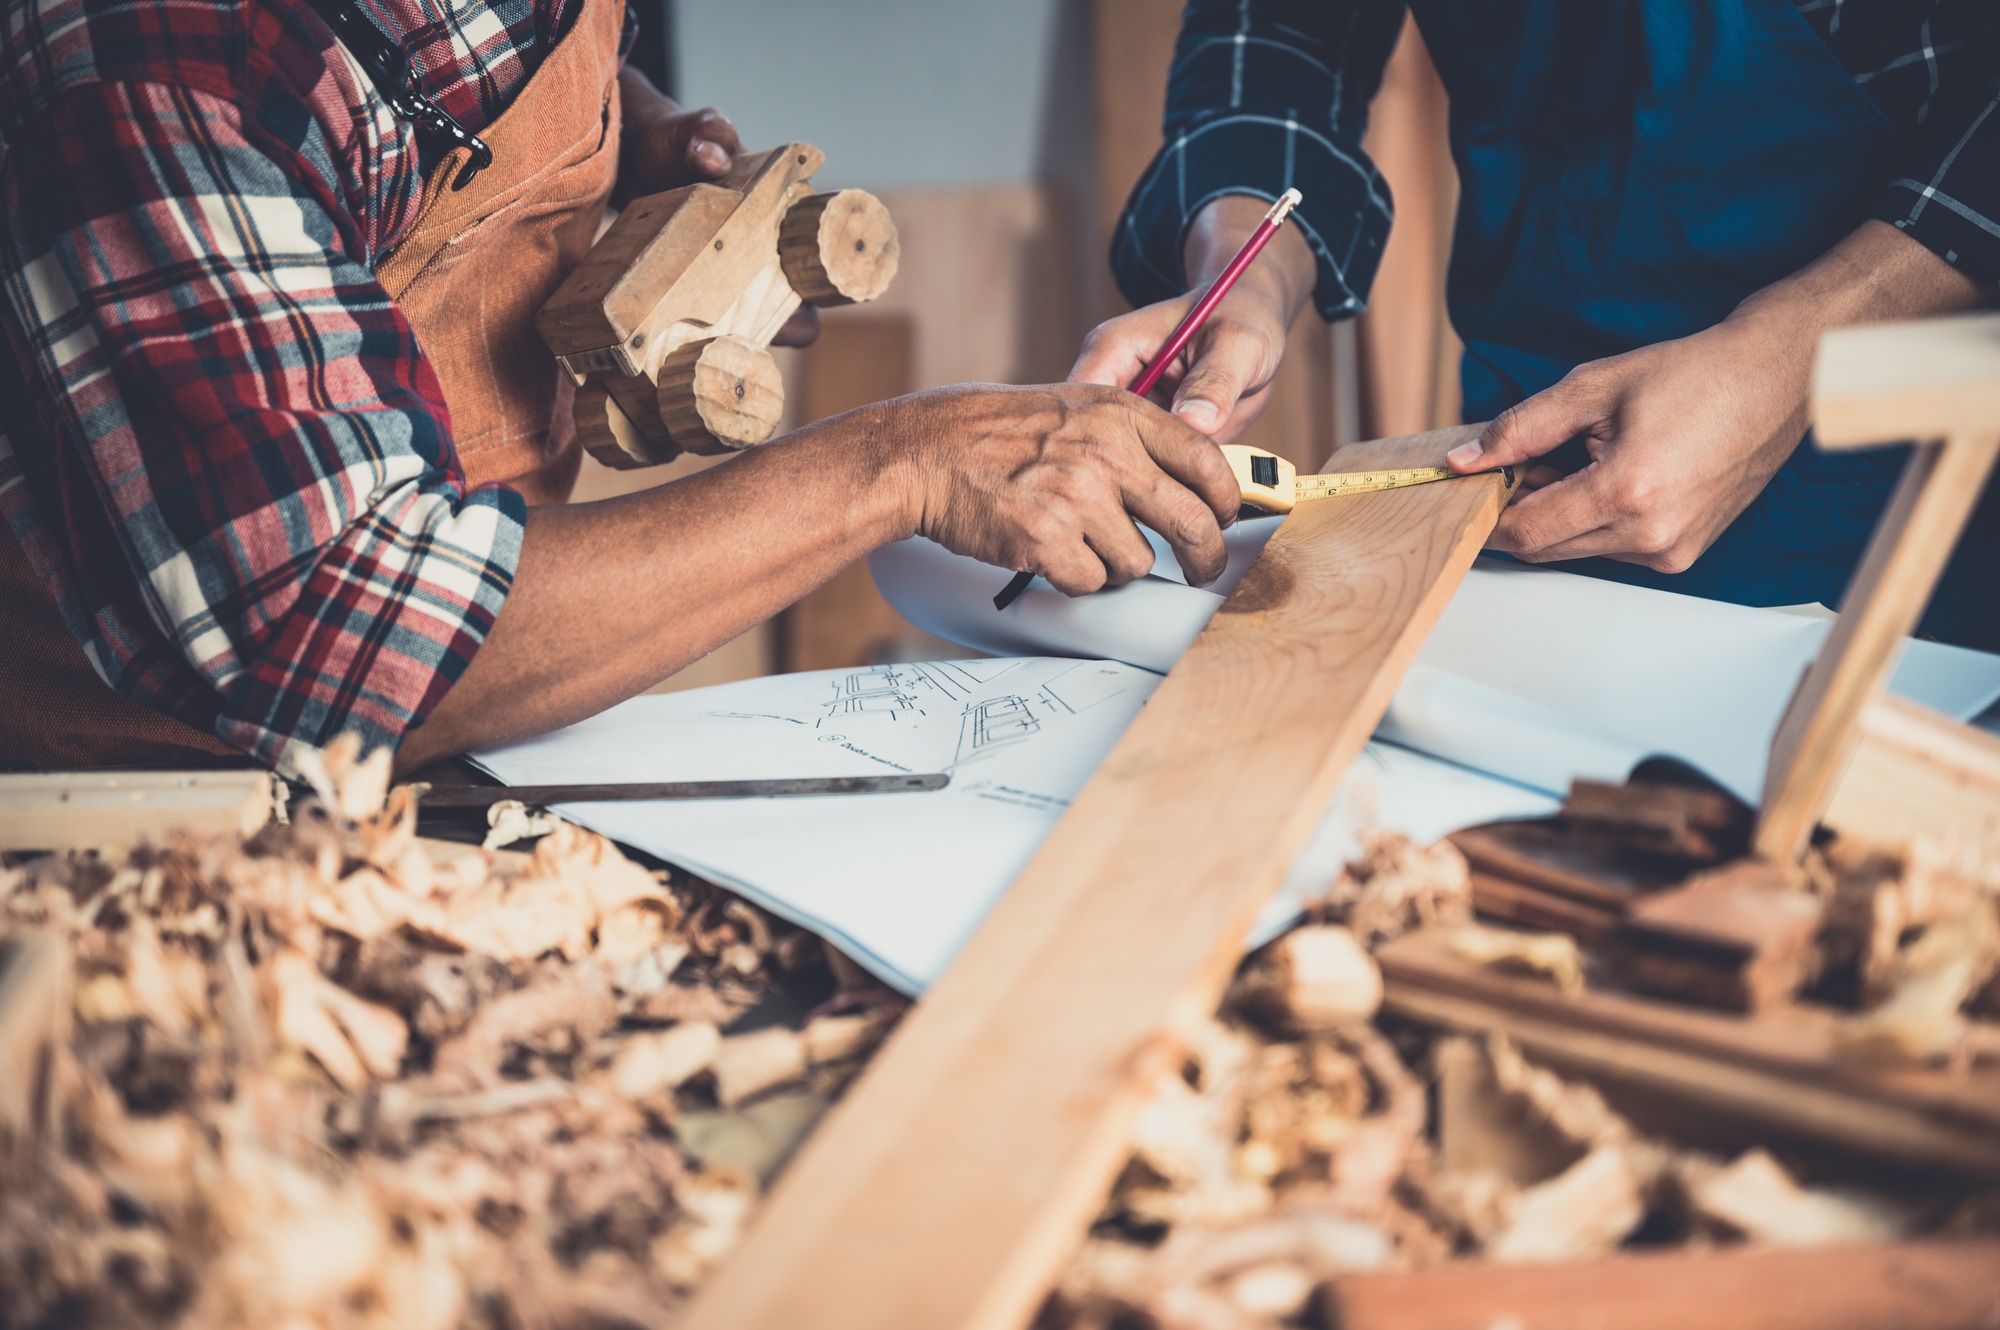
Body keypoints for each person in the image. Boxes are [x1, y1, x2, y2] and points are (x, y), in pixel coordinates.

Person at [0, 0, 1240, 778]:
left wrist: (623, 147)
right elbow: (343, 629)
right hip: (160, 795)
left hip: (463, 723)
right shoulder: (151, 55)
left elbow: (504, 61)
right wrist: (894, 464)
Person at [1075, 0, 2000, 650]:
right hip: (1544, 404)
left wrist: (1808, 349)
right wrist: (1248, 258)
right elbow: (1279, 26)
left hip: (1928, 416)